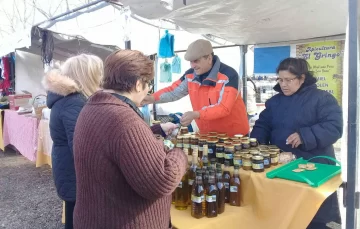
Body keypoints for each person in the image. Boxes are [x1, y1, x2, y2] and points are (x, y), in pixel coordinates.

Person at [73, 49, 188, 229]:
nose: (149, 89)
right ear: (137, 84)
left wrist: (155, 130)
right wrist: (179, 154)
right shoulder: (123, 118)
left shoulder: (93, 106)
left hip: (96, 218)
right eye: (148, 83)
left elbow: (117, 145)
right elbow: (160, 181)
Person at [251, 57, 342, 229]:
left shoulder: (322, 99)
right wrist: (256, 142)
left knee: (314, 215)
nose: (283, 84)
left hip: (314, 165)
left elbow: (334, 127)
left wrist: (304, 135)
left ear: (302, 78)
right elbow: (263, 124)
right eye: (280, 79)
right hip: (282, 166)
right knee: (286, 212)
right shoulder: (275, 102)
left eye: (288, 80)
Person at [42, 54, 103, 229]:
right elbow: (81, 148)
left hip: (70, 171)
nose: (100, 78)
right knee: (79, 219)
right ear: (87, 75)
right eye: (97, 73)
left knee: (74, 216)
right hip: (76, 175)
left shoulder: (69, 99)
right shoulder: (74, 102)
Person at [142, 39, 249, 136]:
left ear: (209, 58)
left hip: (235, 137)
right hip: (206, 136)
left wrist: (196, 114)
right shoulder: (190, 76)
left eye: (196, 61)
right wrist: (151, 98)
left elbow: (224, 108)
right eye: (190, 62)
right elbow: (174, 91)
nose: (192, 65)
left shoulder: (229, 76)